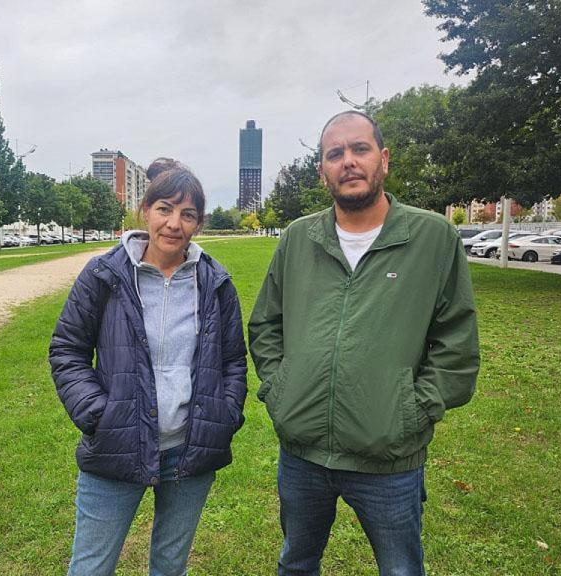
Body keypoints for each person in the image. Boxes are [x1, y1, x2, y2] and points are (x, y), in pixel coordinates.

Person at [248, 110, 479, 576]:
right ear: (322, 171)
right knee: (295, 564)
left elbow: (456, 341)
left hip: (389, 461)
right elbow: (265, 326)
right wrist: (281, 390)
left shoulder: (432, 237)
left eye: (360, 149)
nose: (348, 162)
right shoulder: (297, 238)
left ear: (384, 159)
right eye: (335, 154)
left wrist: (412, 410)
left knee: (400, 570)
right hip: (303, 454)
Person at [49, 158, 247, 576]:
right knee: (90, 567)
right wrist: (99, 414)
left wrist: (224, 414)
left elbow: (233, 360)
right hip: (117, 443)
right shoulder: (104, 274)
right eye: (165, 208)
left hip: (189, 451)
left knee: (170, 565)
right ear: (145, 211)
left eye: (187, 213)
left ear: (198, 223)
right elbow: (67, 349)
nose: (174, 223)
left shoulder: (216, 282)